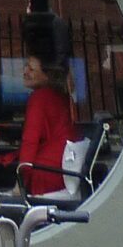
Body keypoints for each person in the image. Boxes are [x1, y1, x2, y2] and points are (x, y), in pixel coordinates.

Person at [12, 52, 76, 200]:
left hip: (45, 171)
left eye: (31, 69)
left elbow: (30, 140)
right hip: (65, 167)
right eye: (25, 66)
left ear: (47, 75)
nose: (25, 72)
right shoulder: (62, 97)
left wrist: (21, 179)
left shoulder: (39, 98)